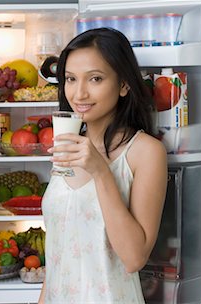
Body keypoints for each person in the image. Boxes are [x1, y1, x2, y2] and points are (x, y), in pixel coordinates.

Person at [38, 27, 168, 303]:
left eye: (95, 78)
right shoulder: (68, 146)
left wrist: (100, 171)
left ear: (123, 85)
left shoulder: (146, 152)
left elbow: (134, 258)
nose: (79, 93)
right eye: (71, 79)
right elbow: (58, 252)